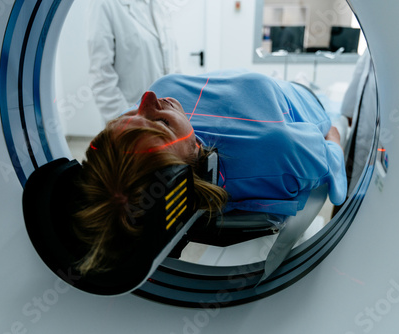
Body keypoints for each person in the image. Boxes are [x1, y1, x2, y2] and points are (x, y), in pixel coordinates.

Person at [73, 70, 347, 274]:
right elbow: (332, 172)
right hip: (305, 99)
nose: (148, 98)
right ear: (192, 150)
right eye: (160, 123)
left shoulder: (149, 139)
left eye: (127, 118)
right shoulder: (275, 149)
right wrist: (334, 139)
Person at [88, 0, 180, 124]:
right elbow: (101, 75)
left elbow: (173, 63)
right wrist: (125, 121)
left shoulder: (159, 5)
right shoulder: (105, 5)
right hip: (131, 120)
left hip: (168, 117)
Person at [340, 50, 377, 195]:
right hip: (364, 119)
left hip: (373, 123)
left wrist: (347, 111)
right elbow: (360, 75)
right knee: (351, 178)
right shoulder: (372, 49)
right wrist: (347, 111)